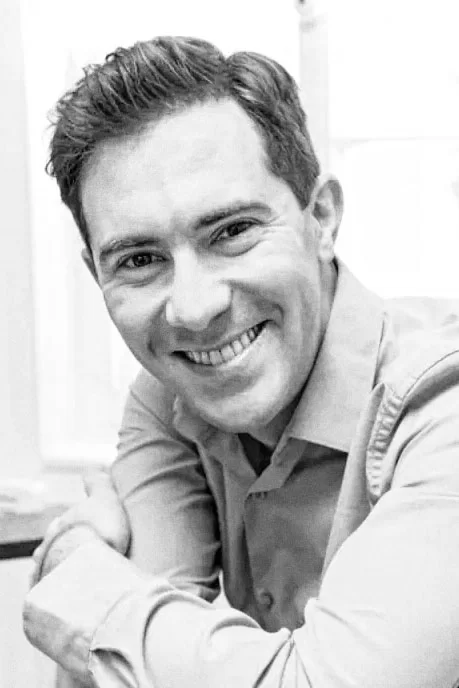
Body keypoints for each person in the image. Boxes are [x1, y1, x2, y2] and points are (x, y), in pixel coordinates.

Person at [23, 36, 459, 687]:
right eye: (139, 260)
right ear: (97, 274)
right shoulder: (170, 393)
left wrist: (75, 565)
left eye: (232, 231)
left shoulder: (441, 402)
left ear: (321, 217)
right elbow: (121, 676)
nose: (193, 309)